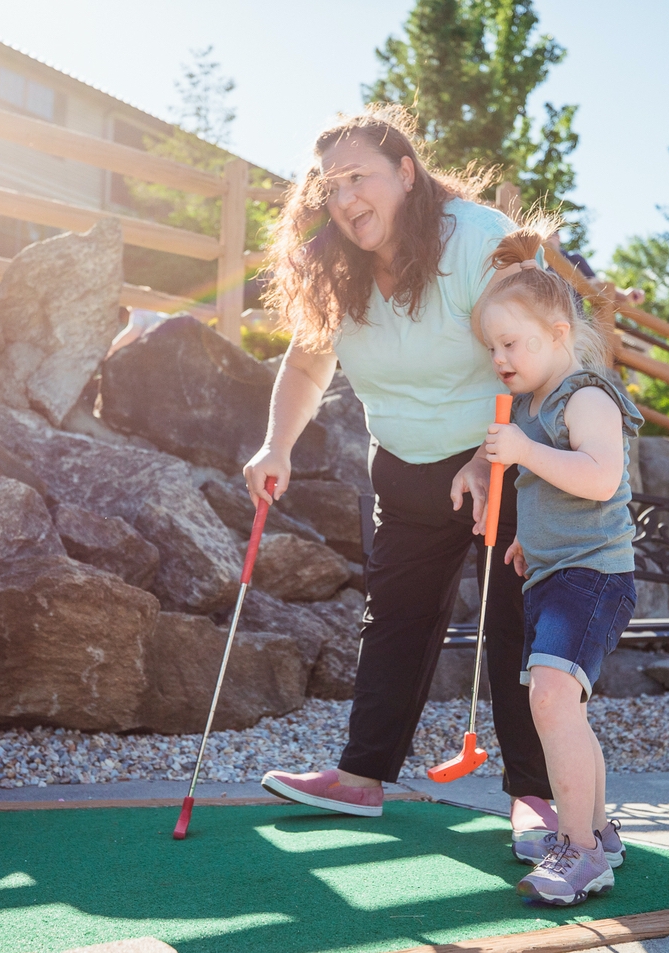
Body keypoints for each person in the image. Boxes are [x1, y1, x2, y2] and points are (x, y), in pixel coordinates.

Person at [244, 104, 555, 836]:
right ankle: (361, 778)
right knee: (394, 620)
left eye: (359, 176)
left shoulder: (477, 239)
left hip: (506, 453)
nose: (345, 197)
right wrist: (275, 445)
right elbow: (308, 362)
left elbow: (540, 348)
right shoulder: (335, 267)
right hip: (407, 464)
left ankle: (536, 799)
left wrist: (489, 456)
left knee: (513, 621)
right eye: (331, 186)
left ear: (407, 174)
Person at [471, 223, 643, 906]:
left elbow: (600, 478)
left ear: (559, 333)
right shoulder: (538, 410)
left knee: (549, 700)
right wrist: (528, 540)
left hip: (593, 578)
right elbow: (558, 495)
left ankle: (577, 852)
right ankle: (596, 832)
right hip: (556, 572)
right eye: (492, 347)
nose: (500, 358)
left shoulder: (586, 396)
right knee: (564, 708)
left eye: (513, 343)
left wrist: (520, 450)